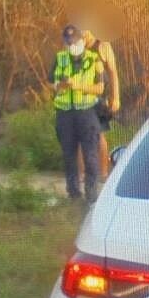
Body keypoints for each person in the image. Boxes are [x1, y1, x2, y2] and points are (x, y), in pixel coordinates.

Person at [51, 24, 105, 202]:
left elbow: (100, 88)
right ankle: (73, 193)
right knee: (69, 155)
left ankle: (91, 194)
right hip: (65, 114)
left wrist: (79, 86)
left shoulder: (94, 59)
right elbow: (51, 84)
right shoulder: (59, 58)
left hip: (86, 113)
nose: (71, 46)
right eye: (68, 43)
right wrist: (61, 86)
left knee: (90, 155)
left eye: (74, 42)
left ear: (82, 40)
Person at [80, 25, 120, 180]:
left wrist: (115, 97)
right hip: (79, 97)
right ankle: (82, 174)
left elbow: (113, 72)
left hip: (98, 98)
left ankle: (103, 174)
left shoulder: (102, 45)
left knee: (99, 135)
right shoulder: (75, 43)